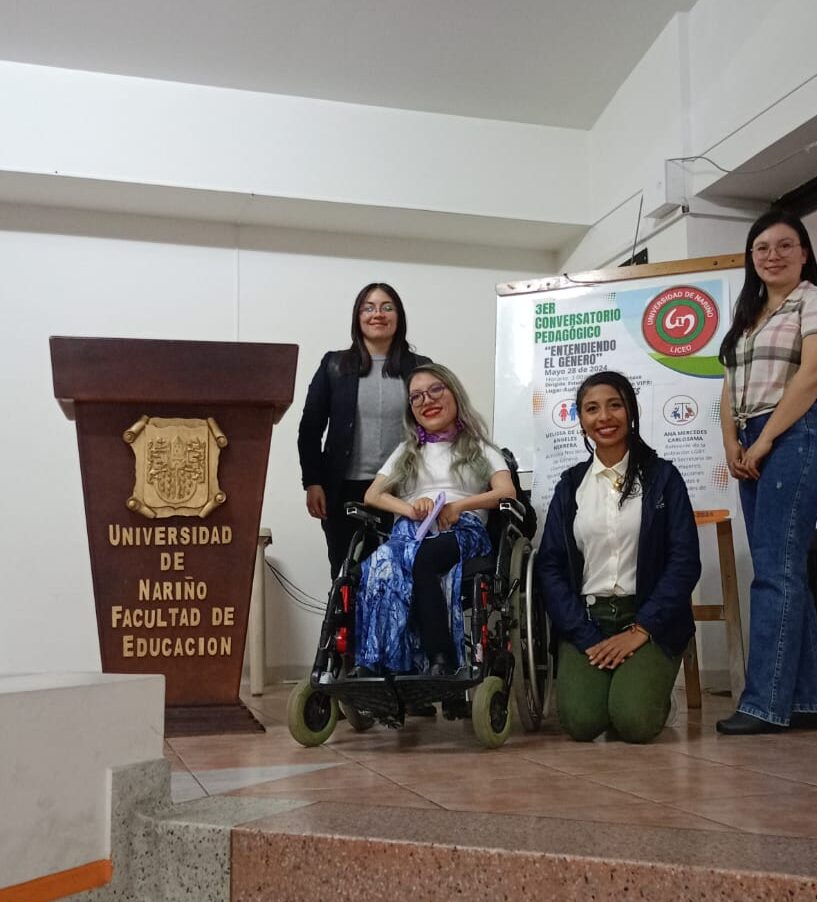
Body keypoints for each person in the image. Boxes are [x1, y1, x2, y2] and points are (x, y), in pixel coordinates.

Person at [716, 210, 817, 736]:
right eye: (762, 247)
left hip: (800, 433)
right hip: (753, 440)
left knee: (773, 570)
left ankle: (765, 703)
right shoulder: (746, 318)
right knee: (782, 566)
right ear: (752, 257)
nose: (772, 255)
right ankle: (810, 700)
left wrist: (766, 439)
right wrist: (733, 442)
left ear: (804, 252)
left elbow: (813, 374)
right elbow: (728, 389)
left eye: (784, 246)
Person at [536, 371, 701, 744]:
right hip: (589, 619)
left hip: (649, 620)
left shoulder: (663, 478)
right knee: (580, 724)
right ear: (580, 420)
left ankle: (645, 692)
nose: (604, 417)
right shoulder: (570, 485)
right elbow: (550, 566)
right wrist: (584, 635)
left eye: (614, 405)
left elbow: (684, 560)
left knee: (634, 723)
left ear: (630, 411)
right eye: (591, 409)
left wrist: (642, 629)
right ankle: (616, 686)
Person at [353, 363, 515, 675]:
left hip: (462, 529)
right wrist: (411, 509)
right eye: (416, 397)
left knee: (422, 560)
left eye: (435, 390)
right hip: (412, 529)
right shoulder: (407, 450)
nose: (427, 400)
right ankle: (377, 661)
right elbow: (373, 495)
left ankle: (441, 658)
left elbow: (506, 493)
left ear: (454, 393)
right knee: (375, 566)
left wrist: (458, 507)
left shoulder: (480, 447)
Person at [298, 283, 431, 578]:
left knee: (400, 576)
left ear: (399, 316)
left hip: (402, 490)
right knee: (348, 576)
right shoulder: (334, 365)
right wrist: (313, 481)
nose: (378, 314)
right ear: (358, 317)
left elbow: (435, 425)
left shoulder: (420, 367)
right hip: (344, 490)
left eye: (387, 307)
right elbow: (310, 428)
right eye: (368, 308)